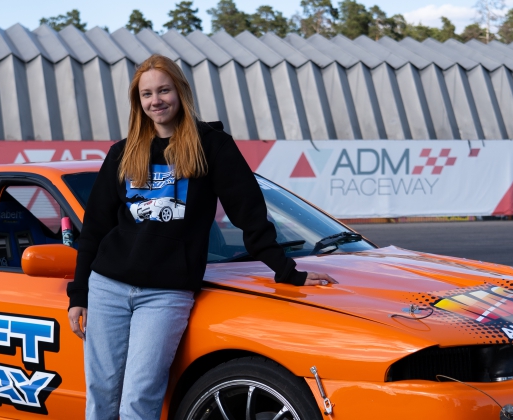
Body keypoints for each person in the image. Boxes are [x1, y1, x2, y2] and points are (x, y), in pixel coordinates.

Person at [66, 54, 335, 420]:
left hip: (165, 294)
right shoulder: (123, 152)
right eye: (147, 94)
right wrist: (79, 294)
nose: (156, 100)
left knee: (139, 400)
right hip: (107, 287)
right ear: (138, 101)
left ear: (181, 91)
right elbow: (95, 228)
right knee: (100, 396)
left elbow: (248, 213)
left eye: (164, 90)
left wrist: (288, 271)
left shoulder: (212, 146)